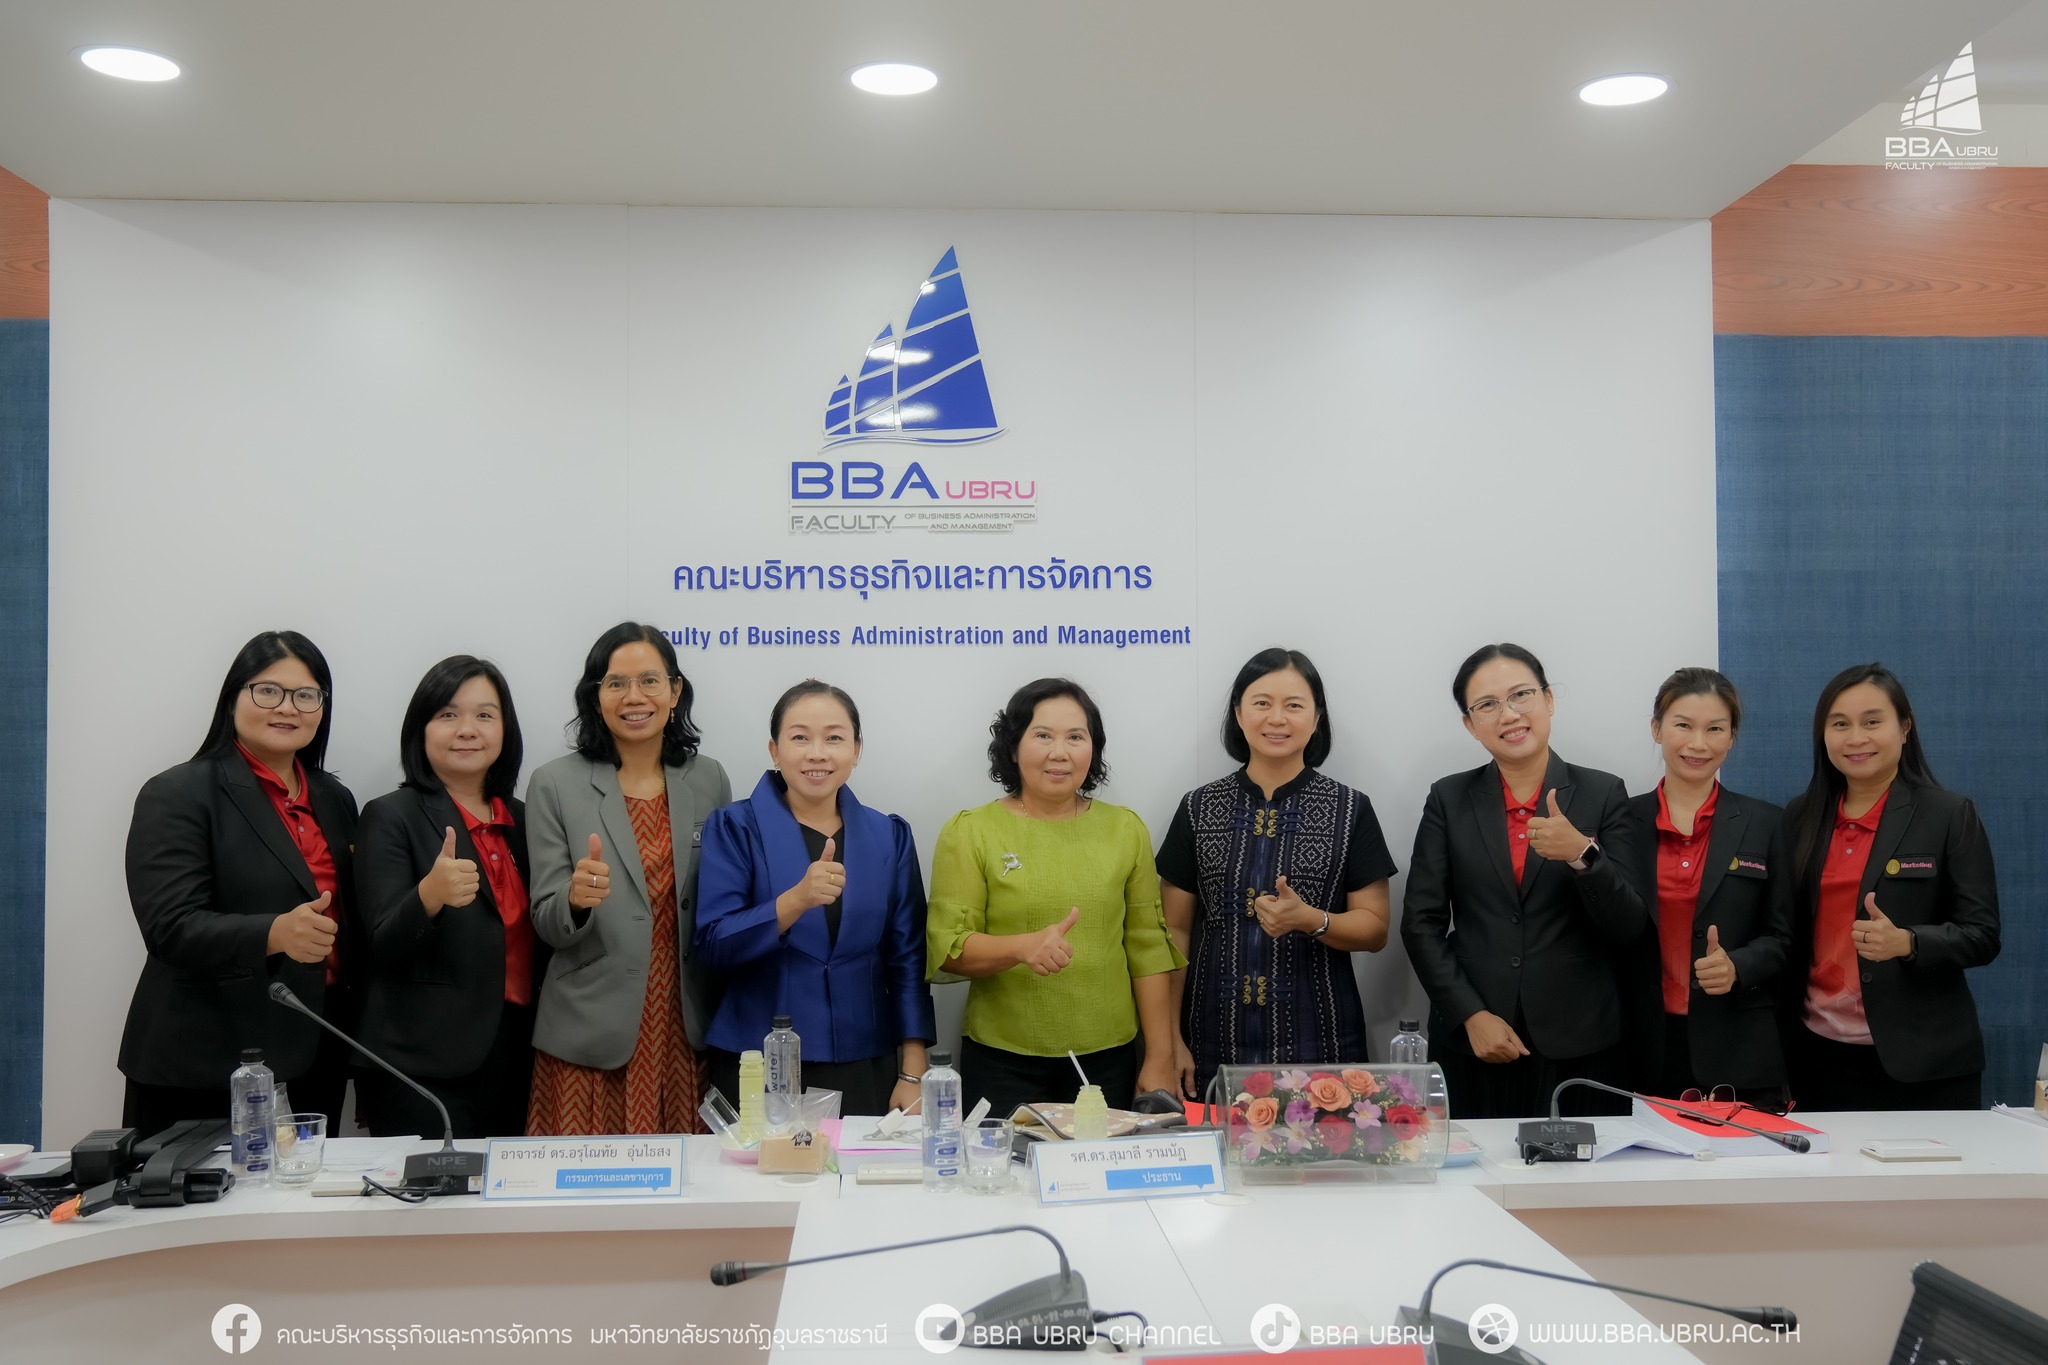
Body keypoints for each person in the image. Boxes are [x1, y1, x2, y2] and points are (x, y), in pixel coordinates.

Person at [119, 630, 360, 1137]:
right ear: (233, 697)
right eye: (267, 690)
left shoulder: (334, 798)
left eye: (306, 695)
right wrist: (274, 933)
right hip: (206, 1058)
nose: (287, 707)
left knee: (308, 1189)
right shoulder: (177, 793)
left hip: (317, 1050)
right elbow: (170, 927)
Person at [1400, 643, 1648, 1119]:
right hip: (1475, 1040)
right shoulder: (1449, 799)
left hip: (1581, 1041)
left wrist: (1582, 855)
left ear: (1548, 700)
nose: (1509, 714)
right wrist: (1471, 1015)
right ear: (1470, 725)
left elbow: (1630, 927)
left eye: (1521, 695)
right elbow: (1420, 923)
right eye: (1487, 704)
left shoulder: (1602, 792)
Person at [925, 678, 1185, 1119]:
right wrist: (1021, 947)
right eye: (1043, 735)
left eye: (1075, 737)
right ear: (1013, 747)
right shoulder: (970, 831)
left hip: (1108, 1057)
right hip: (1002, 1059)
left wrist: (1160, 1054)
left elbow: (1148, 947)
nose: (1059, 752)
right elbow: (948, 947)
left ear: (1093, 749)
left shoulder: (1125, 830)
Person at [1157, 648, 1397, 1099]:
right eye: (1262, 703)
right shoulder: (1198, 807)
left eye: (1294, 705)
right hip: (1210, 1038)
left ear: (1317, 717)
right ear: (1239, 714)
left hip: (1320, 1038)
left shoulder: (1350, 809)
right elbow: (1172, 932)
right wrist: (1169, 1040)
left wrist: (1311, 920)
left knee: (1318, 1146)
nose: (1277, 718)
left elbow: (1375, 929)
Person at [524, 623, 731, 1136]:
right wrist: (574, 900)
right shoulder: (554, 783)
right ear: (595, 697)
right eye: (616, 683)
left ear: (675, 691)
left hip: (685, 1024)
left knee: (687, 1178)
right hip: (590, 1030)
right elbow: (545, 920)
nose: (634, 697)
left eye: (649, 681)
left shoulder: (709, 779)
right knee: (582, 1181)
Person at [696, 681, 935, 1117]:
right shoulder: (734, 827)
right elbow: (713, 944)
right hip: (757, 1060)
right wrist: (795, 901)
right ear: (774, 750)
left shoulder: (888, 836)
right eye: (800, 737)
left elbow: (908, 958)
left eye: (835, 738)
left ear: (856, 750)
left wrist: (913, 1070)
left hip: (865, 1059)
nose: (817, 753)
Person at [1781, 664, 2000, 1111]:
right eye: (1839, 724)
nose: (1855, 738)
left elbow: (1982, 935)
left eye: (1872, 722)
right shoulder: (1799, 817)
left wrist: (1909, 942)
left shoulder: (1948, 815)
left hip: (1923, 1061)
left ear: (1904, 727)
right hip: (1816, 1057)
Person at [354, 656, 541, 1138]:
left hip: (518, 1054)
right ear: (421, 729)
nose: (467, 729)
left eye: (485, 715)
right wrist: (428, 896)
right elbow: (382, 944)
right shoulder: (390, 815)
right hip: (420, 1064)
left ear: (505, 729)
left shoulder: (525, 819)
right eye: (448, 714)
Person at [1618, 668, 1792, 1107]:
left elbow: (1784, 937)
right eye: (1683, 725)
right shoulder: (1620, 821)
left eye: (1715, 729)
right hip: (1638, 1044)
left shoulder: (1767, 823)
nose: (1698, 744)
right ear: (1657, 729)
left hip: (1738, 1047)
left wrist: (1739, 965)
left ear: (1732, 737)